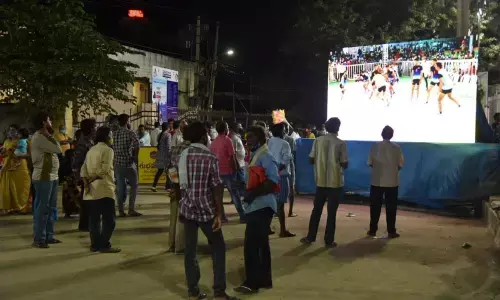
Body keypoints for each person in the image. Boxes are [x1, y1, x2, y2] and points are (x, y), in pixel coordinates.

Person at [178, 121, 238, 300]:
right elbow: (216, 189)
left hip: (188, 210)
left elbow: (180, 184)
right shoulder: (210, 158)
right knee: (218, 247)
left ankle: (193, 292)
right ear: (204, 137)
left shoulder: (183, 155)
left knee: (190, 251)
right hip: (206, 211)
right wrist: (219, 213)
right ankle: (219, 291)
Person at [234, 125, 278, 295]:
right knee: (261, 244)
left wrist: (253, 194)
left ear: (259, 138)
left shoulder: (265, 155)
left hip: (262, 205)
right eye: (247, 136)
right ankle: (264, 279)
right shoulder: (258, 154)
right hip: (258, 205)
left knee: (252, 245)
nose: (248, 139)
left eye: (251, 136)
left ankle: (252, 283)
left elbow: (272, 180)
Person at [300, 117, 347, 248]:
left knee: (316, 210)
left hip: (320, 181)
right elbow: (344, 163)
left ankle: (310, 237)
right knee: (332, 213)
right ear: (337, 127)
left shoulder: (318, 141)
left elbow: (311, 159)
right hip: (335, 182)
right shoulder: (341, 143)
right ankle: (329, 240)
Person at [80, 126, 121, 253]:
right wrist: (91, 179)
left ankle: (95, 244)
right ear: (107, 136)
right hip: (105, 189)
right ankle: (103, 244)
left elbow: (83, 169)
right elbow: (104, 170)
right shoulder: (108, 150)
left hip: (91, 191)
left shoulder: (91, 150)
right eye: (111, 135)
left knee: (94, 220)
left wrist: (86, 182)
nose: (112, 138)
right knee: (110, 220)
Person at [31, 112, 62, 248]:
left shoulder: (44, 137)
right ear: (44, 122)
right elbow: (58, 149)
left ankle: (49, 235)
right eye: (49, 119)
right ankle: (39, 238)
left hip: (52, 176)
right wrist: (50, 134)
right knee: (42, 208)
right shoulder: (39, 137)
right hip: (43, 177)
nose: (51, 121)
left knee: (51, 208)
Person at [367, 126, 404, 238]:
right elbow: (400, 164)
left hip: (376, 181)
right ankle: (391, 231)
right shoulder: (397, 148)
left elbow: (370, 162)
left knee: (375, 207)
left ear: (381, 134)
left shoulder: (375, 147)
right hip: (392, 182)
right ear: (392, 135)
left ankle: (373, 230)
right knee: (391, 207)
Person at [210, 121, 244, 222]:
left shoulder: (214, 142)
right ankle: (242, 215)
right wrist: (235, 170)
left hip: (218, 172)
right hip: (228, 172)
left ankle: (222, 216)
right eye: (227, 127)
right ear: (225, 129)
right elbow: (232, 158)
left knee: (218, 196)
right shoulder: (227, 140)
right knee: (235, 194)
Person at [267, 123, 295, 238]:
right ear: (283, 131)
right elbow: (284, 163)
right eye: (286, 129)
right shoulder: (285, 144)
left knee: (270, 203)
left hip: (270, 176)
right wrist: (277, 171)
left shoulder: (270, 141)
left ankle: (267, 227)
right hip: (281, 177)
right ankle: (283, 230)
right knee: (280, 205)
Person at [113, 114, 142, 217]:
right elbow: (137, 145)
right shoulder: (130, 133)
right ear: (127, 121)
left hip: (117, 164)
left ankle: (121, 210)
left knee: (120, 188)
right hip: (129, 164)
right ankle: (131, 209)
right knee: (134, 186)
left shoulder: (114, 134)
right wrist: (135, 156)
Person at [0, 125, 32, 214]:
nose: (12, 132)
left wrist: (18, 156)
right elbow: (3, 154)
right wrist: (4, 153)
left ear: (18, 132)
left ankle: (21, 207)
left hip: (21, 166)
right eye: (10, 130)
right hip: (8, 166)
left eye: (14, 130)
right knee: (9, 187)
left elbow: (30, 155)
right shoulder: (7, 141)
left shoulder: (25, 141)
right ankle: (10, 207)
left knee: (22, 186)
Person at [73, 118, 97, 231]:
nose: (95, 129)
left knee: (89, 200)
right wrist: (78, 177)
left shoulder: (90, 141)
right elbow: (76, 162)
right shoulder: (83, 143)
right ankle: (85, 225)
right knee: (87, 201)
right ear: (90, 128)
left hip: (91, 175)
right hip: (86, 176)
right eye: (94, 126)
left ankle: (87, 224)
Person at [168, 133, 190, 254]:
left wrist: (174, 183)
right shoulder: (192, 150)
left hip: (175, 184)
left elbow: (170, 168)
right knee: (183, 219)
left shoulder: (176, 148)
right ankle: (180, 247)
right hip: (187, 188)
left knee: (173, 217)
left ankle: (171, 244)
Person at [151, 122, 171, 192]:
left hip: (160, 155)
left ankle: (154, 185)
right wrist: (170, 154)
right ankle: (167, 187)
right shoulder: (168, 135)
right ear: (168, 128)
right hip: (165, 155)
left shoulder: (160, 134)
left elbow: (158, 144)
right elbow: (168, 146)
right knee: (168, 171)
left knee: (160, 171)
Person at [61, 149, 80, 218]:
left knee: (67, 198)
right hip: (71, 183)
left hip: (67, 183)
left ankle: (68, 212)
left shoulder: (64, 163)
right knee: (74, 196)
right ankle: (75, 210)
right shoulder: (71, 163)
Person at [283, 123, 297, 217]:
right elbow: (294, 154)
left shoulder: (272, 140)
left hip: (278, 167)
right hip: (289, 166)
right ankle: (290, 211)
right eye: (287, 128)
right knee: (291, 188)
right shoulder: (290, 140)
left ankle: (278, 211)